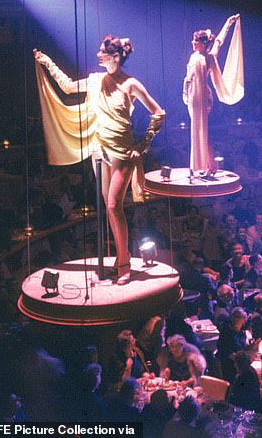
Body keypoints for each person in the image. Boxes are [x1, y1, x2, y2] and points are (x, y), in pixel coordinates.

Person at [34, 37, 165, 284]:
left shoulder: (131, 84)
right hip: (100, 149)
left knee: (115, 206)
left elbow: (158, 113)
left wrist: (143, 144)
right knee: (109, 208)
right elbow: (69, 87)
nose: (97, 54)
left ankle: (124, 262)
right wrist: (47, 63)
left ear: (115, 56)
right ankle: (118, 258)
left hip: (122, 152)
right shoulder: (95, 80)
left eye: (102, 51)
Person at [183, 14, 243, 174]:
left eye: (195, 41)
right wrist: (186, 93)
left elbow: (219, 42)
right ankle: (210, 165)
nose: (192, 43)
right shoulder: (193, 56)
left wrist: (229, 23)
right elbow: (188, 78)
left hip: (202, 98)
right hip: (192, 98)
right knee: (199, 131)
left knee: (202, 130)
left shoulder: (209, 57)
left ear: (203, 43)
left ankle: (208, 165)